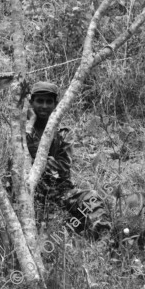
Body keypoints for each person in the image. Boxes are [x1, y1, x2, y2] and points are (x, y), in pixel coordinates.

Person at [26, 81, 111, 235]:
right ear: (31, 103)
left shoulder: (63, 134)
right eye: (39, 101)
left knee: (91, 200)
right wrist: (30, 122)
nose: (44, 106)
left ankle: (102, 238)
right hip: (29, 193)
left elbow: (63, 166)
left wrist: (44, 162)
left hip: (60, 191)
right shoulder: (22, 131)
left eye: (48, 102)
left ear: (55, 104)